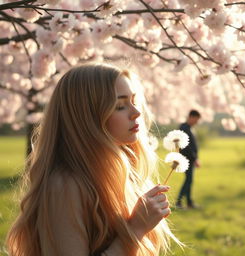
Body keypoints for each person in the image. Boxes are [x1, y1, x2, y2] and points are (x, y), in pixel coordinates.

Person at [7, 63, 182, 256]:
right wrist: (136, 229)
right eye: (120, 106)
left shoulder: (120, 175)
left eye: (134, 101)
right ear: (87, 117)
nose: (136, 112)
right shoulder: (65, 186)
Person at [176, 110, 201, 209]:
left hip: (190, 159)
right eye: (196, 119)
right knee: (188, 180)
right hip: (186, 159)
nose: (197, 122)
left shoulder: (189, 128)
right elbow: (187, 147)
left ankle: (189, 202)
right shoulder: (184, 128)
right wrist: (195, 158)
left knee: (189, 180)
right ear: (191, 117)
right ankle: (178, 202)